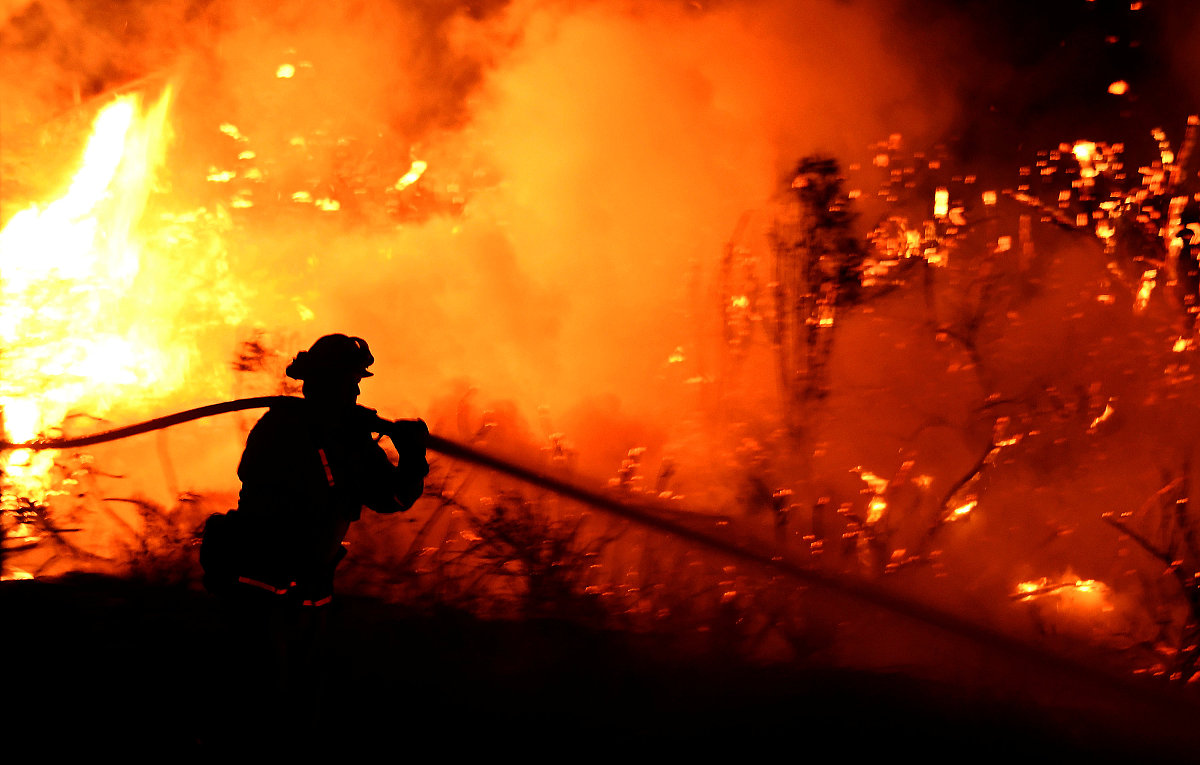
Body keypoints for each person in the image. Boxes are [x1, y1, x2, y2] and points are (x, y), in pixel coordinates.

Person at [214, 333, 428, 747]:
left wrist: (411, 456)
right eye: (351, 380)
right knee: (259, 700)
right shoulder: (285, 429)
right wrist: (354, 442)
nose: (358, 389)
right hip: (259, 589)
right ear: (326, 382)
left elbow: (393, 497)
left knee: (301, 703)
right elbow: (277, 486)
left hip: (309, 594)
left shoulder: (339, 437)